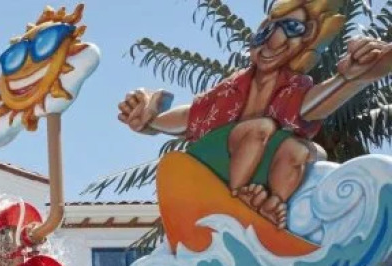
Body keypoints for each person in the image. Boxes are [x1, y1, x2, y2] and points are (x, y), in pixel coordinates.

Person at [117, 2, 392, 230]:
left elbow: (311, 105)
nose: (274, 42)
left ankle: (271, 205)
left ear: (308, 40)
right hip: (215, 160)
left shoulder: (293, 87)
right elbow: (191, 117)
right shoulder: (230, 89)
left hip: (256, 163)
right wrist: (150, 118)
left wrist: (350, 80)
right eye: (265, 32)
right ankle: (237, 198)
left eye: (291, 29)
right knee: (260, 127)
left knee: (304, 150)